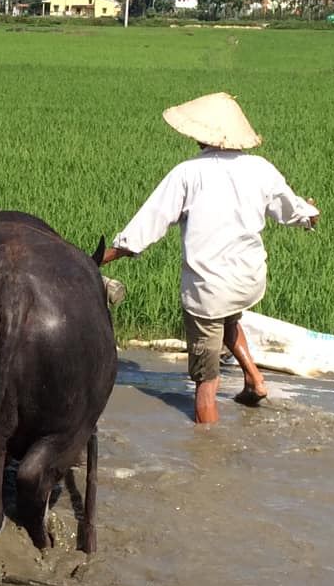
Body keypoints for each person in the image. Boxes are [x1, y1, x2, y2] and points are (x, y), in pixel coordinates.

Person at [99, 92, 319, 426]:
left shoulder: (188, 173)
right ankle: (255, 381)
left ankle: (209, 452)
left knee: (205, 383)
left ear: (202, 134)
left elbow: (147, 226)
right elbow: (291, 209)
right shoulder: (261, 169)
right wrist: (308, 216)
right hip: (248, 279)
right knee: (229, 319)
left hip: (208, 288)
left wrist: (101, 258)